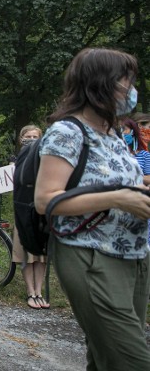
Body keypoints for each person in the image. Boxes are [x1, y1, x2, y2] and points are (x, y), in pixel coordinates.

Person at [35, 47, 150, 369]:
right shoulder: (67, 132)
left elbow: (118, 184)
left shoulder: (114, 132)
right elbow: (46, 201)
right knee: (132, 360)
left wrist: (138, 192)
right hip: (90, 255)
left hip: (134, 256)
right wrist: (118, 198)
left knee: (105, 359)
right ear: (100, 84)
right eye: (125, 82)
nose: (131, 90)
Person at [9, 125, 51, 309]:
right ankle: (30, 291)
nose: (32, 139)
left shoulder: (46, 159)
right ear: (21, 138)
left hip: (40, 213)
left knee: (41, 257)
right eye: (28, 136)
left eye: (35, 136)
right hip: (23, 211)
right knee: (26, 254)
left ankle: (39, 291)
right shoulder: (15, 160)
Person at [121, 117, 150, 186]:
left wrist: (132, 176)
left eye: (123, 129)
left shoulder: (145, 155)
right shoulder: (111, 154)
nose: (121, 132)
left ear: (133, 131)